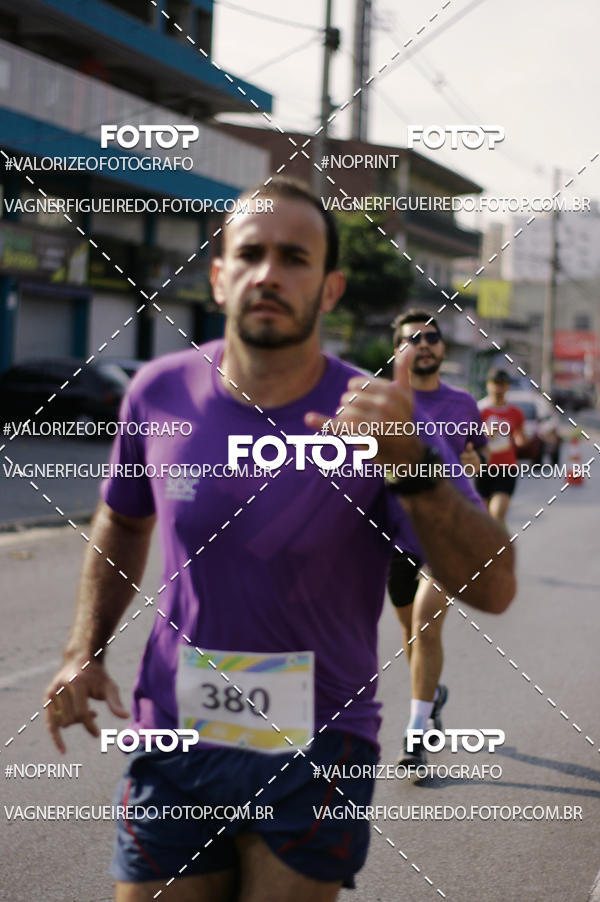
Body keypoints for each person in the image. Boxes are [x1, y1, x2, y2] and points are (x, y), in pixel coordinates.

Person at [44, 177, 516, 902]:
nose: (269, 274)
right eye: (251, 254)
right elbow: (123, 519)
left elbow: (495, 587)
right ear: (219, 276)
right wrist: (84, 650)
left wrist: (411, 466)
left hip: (320, 744)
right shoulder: (158, 393)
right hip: (176, 734)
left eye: (294, 258)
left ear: (329, 289)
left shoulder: (381, 417)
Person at [387, 310, 488, 768]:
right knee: (410, 632)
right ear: (398, 351)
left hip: (447, 534)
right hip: (396, 536)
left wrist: (475, 464)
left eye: (431, 337)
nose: (423, 344)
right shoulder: (384, 403)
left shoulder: (463, 403)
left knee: (426, 621)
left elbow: (481, 458)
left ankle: (415, 735)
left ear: (443, 348)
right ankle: (432, 695)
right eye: (413, 339)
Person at [477, 368, 526, 527]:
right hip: (483, 468)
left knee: (497, 513)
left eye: (502, 384)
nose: (498, 388)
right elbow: (467, 437)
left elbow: (521, 438)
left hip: (506, 468)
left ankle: (500, 541)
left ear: (507, 386)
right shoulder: (479, 410)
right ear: (488, 385)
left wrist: (520, 440)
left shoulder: (515, 412)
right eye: (495, 383)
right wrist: (484, 434)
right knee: (484, 518)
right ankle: (495, 540)